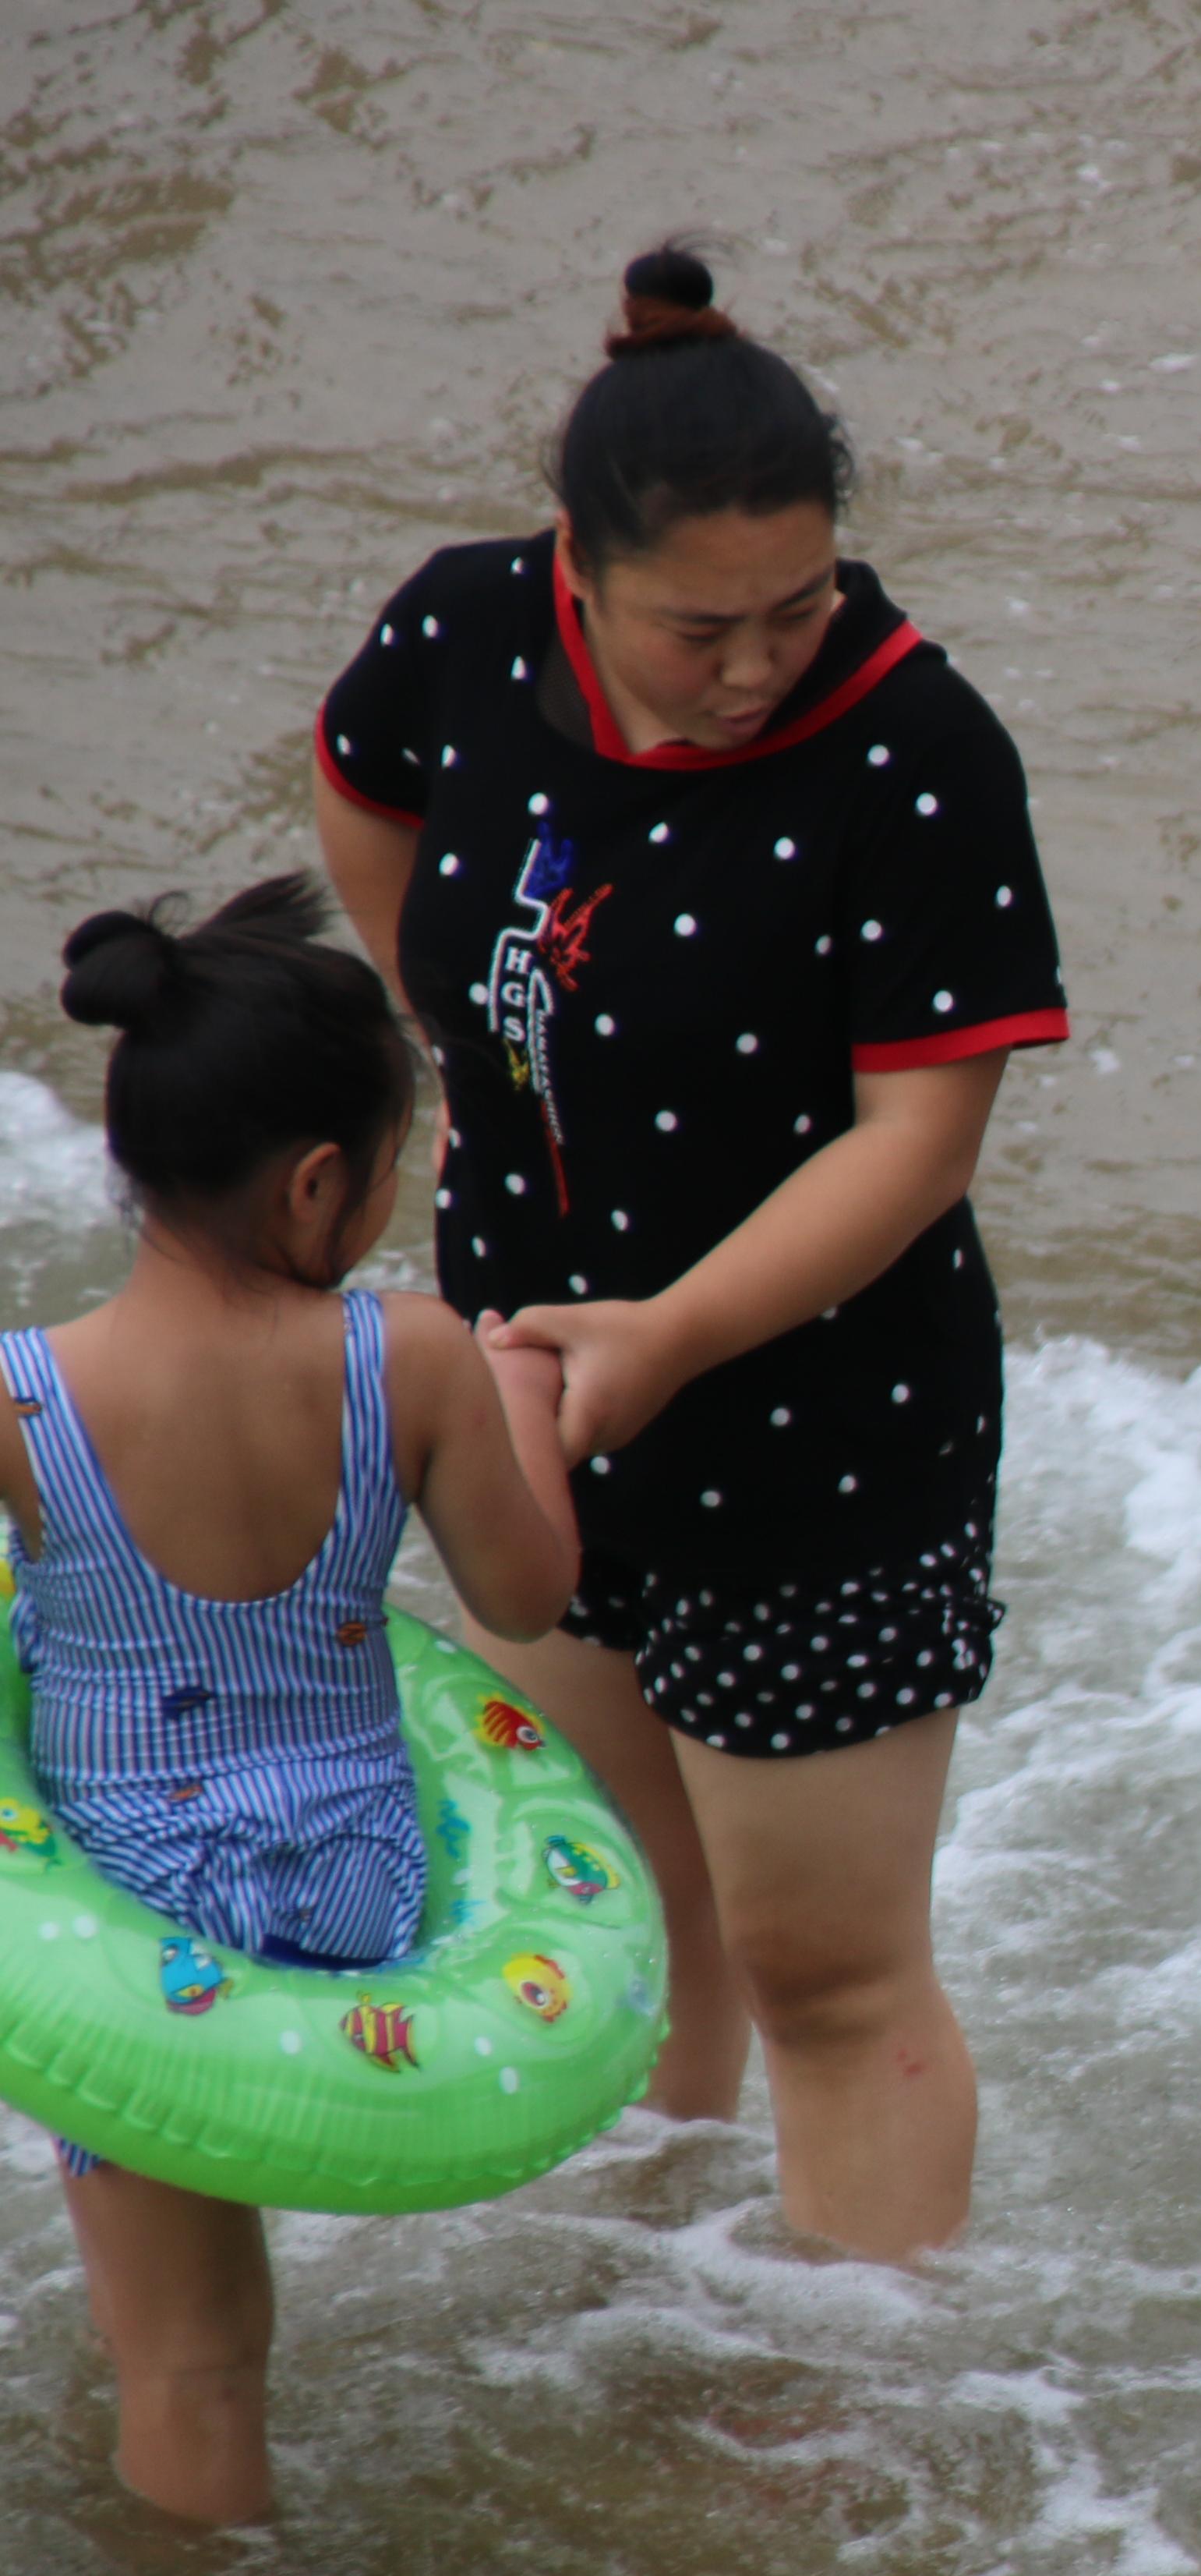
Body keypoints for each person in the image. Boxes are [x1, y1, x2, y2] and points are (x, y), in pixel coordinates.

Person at [310, 245, 1068, 2263]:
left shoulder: (915, 752)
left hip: (820, 1422)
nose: (758, 665)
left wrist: (664, 1335)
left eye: (800, 606)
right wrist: (467, 1041)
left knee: (830, 1972)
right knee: (614, 1901)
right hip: (527, 1376)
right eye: (701, 626)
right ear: (579, 558)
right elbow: (368, 785)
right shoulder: (469, 626)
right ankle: (659, 2267)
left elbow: (919, 1141)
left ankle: (852, 2414)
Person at [11, 883, 581, 2524]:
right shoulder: (408, 1357)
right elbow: (526, 1596)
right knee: (216, 2326)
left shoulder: (25, 1390)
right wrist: (529, 1396)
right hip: (359, 1884)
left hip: (133, 1924)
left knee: (188, 2358)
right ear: (323, 1177)